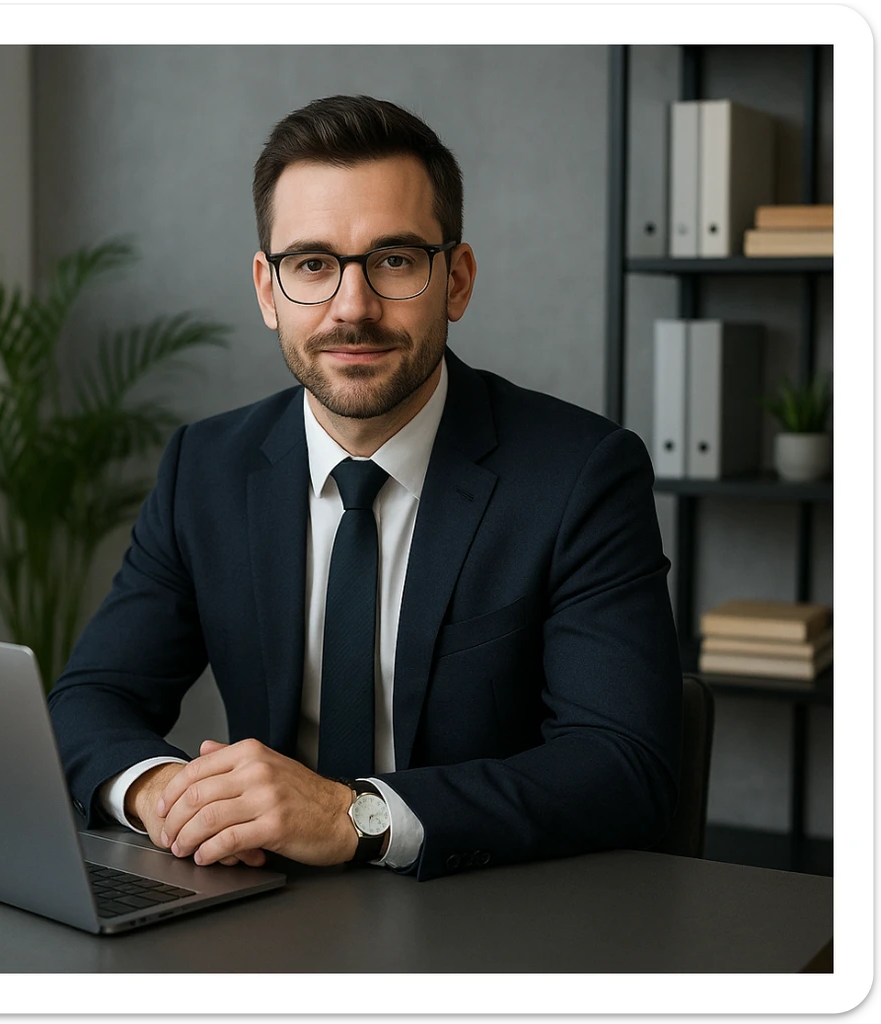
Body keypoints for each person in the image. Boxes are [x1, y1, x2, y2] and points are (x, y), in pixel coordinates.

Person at [48, 94, 683, 881]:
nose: (353, 308)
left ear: (456, 279)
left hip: (486, 911)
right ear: (266, 289)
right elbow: (89, 699)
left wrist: (359, 817)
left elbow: (627, 765)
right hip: (258, 911)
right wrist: (167, 793)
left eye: (394, 260)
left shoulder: (580, 473)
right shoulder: (204, 469)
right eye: (312, 263)